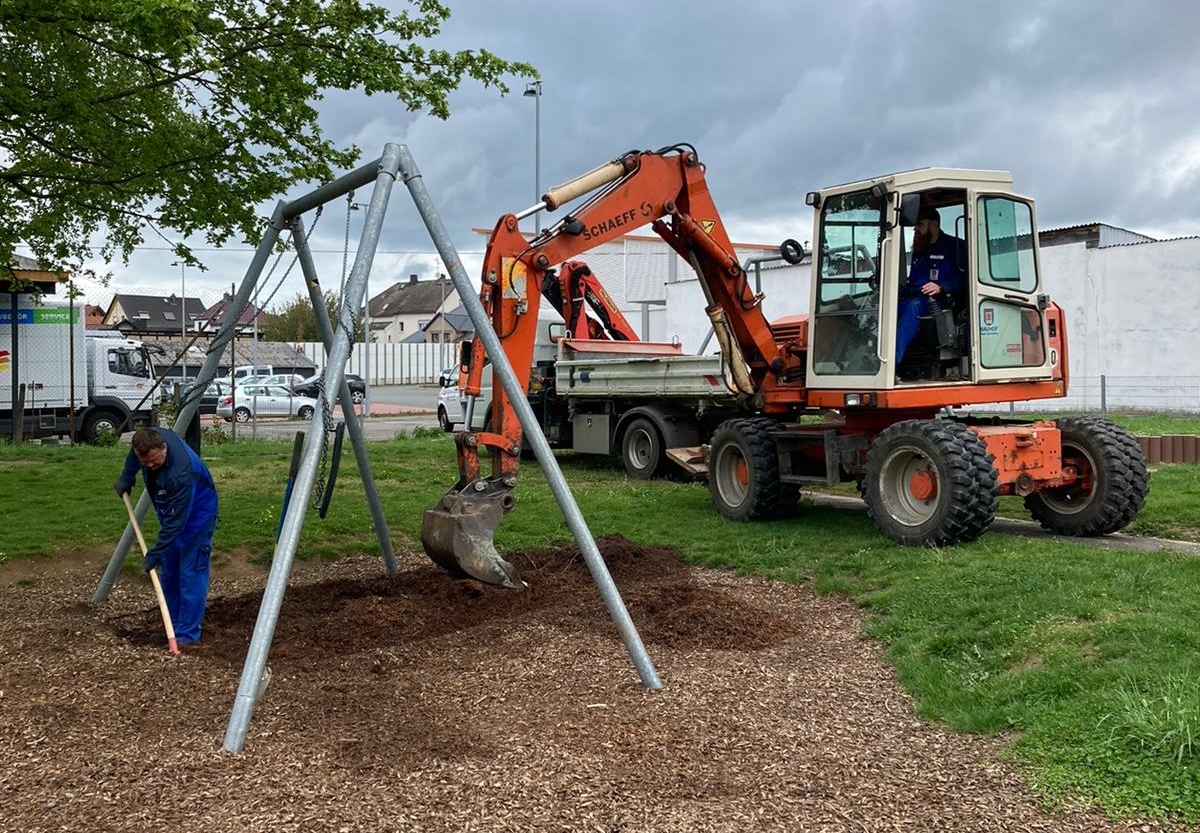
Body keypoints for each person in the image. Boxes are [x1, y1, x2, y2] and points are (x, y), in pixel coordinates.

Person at [114, 427, 218, 646]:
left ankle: (186, 634)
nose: (150, 467)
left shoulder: (181, 473)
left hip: (196, 517)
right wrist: (127, 477)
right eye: (146, 463)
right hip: (170, 512)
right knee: (170, 570)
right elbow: (134, 457)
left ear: (164, 448)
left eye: (154, 462)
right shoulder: (145, 445)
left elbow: (177, 523)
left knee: (191, 572)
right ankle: (171, 624)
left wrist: (156, 551)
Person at [895, 205, 967, 366]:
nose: (915, 229)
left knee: (913, 306)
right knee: (886, 309)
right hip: (914, 296)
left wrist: (941, 286)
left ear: (934, 225)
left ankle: (892, 362)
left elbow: (967, 279)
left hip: (940, 301)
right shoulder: (920, 248)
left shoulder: (955, 247)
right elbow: (913, 280)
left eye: (920, 224)